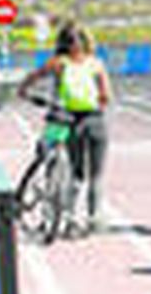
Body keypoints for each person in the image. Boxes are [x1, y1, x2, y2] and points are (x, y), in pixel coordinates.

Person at [16, 21, 113, 230]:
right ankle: (90, 216)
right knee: (91, 173)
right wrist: (100, 101)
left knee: (78, 170)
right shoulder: (93, 63)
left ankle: (71, 215)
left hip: (67, 116)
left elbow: (33, 76)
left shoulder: (60, 62)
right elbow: (106, 94)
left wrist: (23, 91)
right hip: (89, 117)